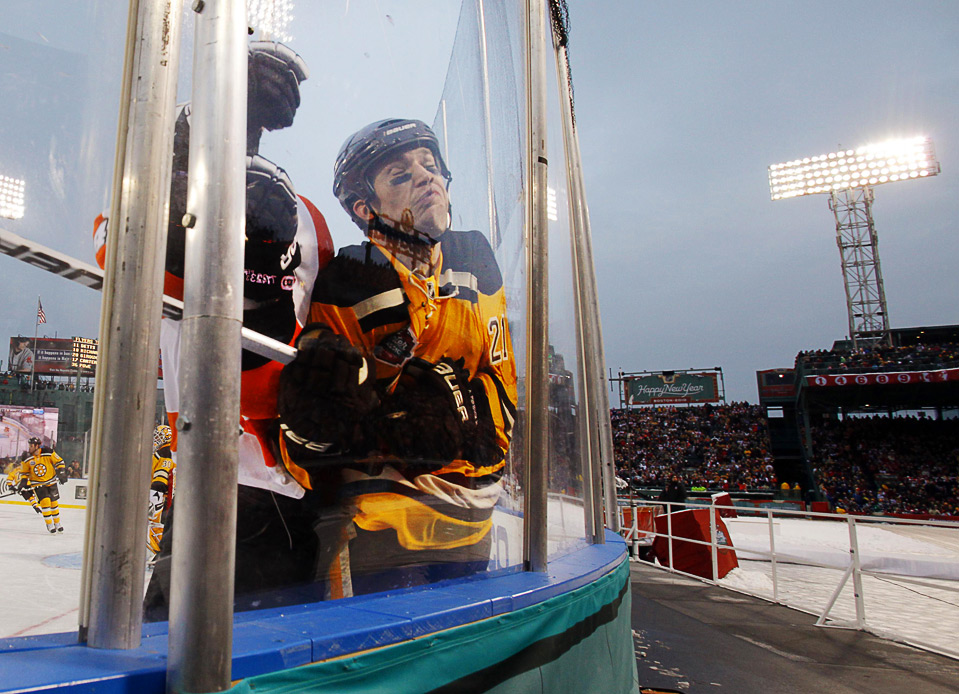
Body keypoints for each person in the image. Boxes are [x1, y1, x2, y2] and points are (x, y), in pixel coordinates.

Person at [272, 118, 518, 598]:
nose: (427, 177)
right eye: (400, 174)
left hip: (473, 527)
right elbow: (315, 433)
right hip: (378, 529)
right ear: (366, 208)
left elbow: (502, 391)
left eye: (431, 166)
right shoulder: (350, 278)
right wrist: (394, 431)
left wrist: (456, 421)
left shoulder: (474, 257)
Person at [17, 436, 67, 533]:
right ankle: (50, 524)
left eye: (31, 446)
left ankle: (57, 523)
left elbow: (59, 462)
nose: (29, 448)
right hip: (38, 484)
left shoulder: (48, 452)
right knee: (45, 503)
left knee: (54, 503)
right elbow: (24, 473)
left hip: (51, 481)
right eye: (29, 445)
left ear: (37, 446)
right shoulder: (26, 458)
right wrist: (22, 483)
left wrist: (61, 472)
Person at [147, 425, 175, 564]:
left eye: (159, 437)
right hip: (167, 495)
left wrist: (155, 495)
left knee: (155, 523)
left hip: (162, 495)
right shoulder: (168, 451)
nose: (156, 440)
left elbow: (161, 477)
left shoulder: (165, 453)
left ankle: (162, 553)